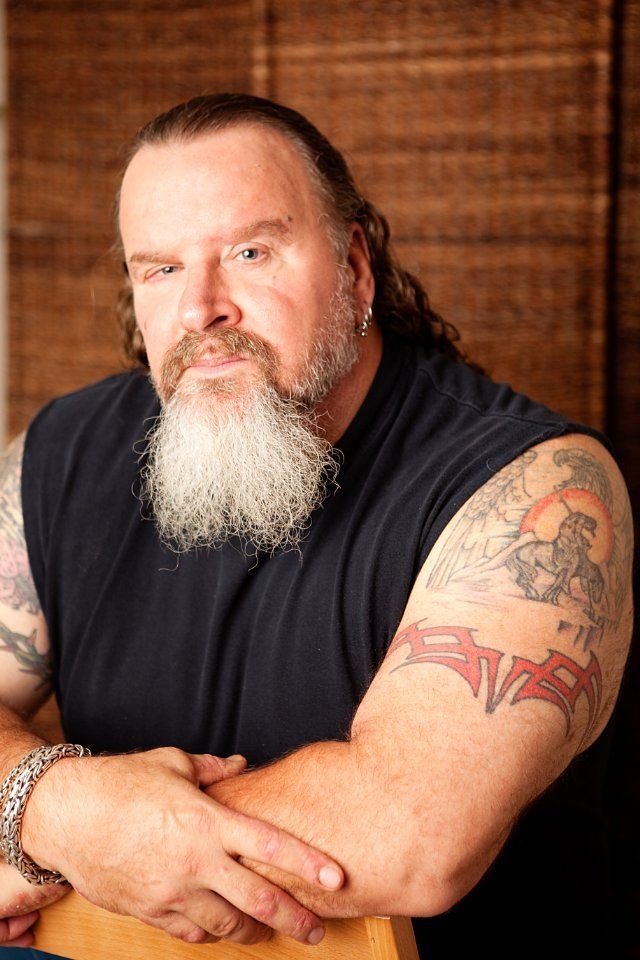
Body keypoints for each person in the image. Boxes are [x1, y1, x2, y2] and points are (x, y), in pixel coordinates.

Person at [0, 93, 634, 959]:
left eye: (250, 252)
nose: (200, 309)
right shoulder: (62, 452)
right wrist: (53, 809)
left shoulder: (536, 489)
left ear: (355, 268)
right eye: (161, 269)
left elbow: (411, 834)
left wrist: (52, 834)